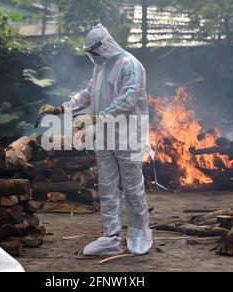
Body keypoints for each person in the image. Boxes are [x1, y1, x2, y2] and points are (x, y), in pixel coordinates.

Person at [39, 24, 152, 256]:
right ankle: (110, 237)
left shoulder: (129, 65)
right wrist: (61, 108)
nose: (93, 57)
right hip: (105, 134)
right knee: (107, 186)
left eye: (94, 52)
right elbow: (88, 93)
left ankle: (139, 235)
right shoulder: (101, 68)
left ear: (105, 46)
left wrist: (94, 117)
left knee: (132, 186)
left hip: (128, 134)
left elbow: (127, 100)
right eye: (90, 53)